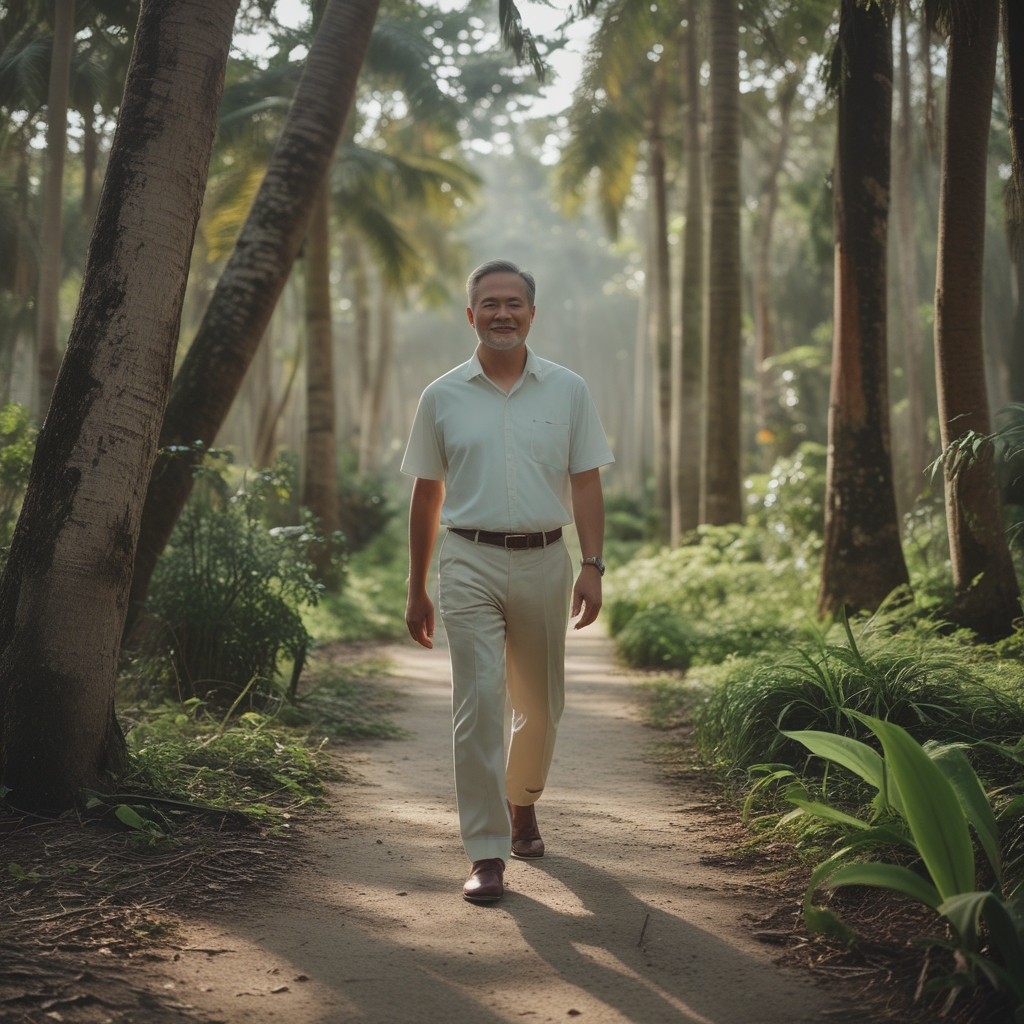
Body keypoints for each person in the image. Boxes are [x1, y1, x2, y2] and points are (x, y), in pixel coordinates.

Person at [401, 258, 613, 902]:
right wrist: (416, 585)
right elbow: (426, 493)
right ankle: (486, 851)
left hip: (548, 559)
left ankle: (523, 803)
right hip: (469, 560)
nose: (501, 313)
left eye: (513, 302)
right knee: (479, 705)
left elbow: (585, 481)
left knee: (542, 707)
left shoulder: (568, 389)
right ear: (471, 315)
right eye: (489, 303)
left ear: (531, 313)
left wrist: (593, 566)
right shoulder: (441, 396)